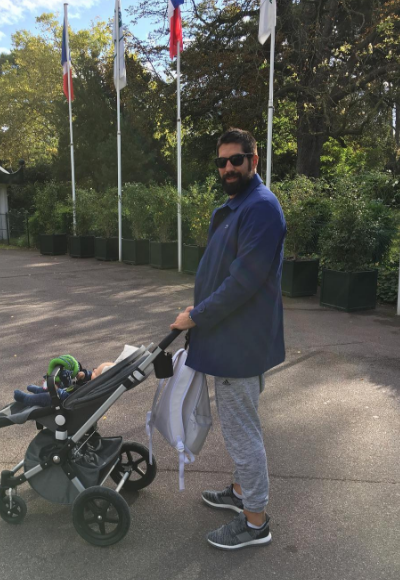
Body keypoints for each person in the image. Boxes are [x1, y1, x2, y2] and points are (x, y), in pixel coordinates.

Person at [171, 128, 286, 550]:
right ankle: (240, 494)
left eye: (236, 160)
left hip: (239, 342)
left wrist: (196, 316)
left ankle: (255, 521)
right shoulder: (240, 204)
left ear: (253, 161)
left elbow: (243, 283)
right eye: (221, 162)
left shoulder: (261, 208)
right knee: (242, 425)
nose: (227, 168)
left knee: (241, 433)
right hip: (234, 337)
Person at [13, 356, 114, 407]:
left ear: (99, 381)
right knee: (55, 387)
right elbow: (88, 375)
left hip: (64, 401)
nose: (94, 370)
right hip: (67, 391)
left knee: (48, 396)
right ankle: (39, 390)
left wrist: (58, 392)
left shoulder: (90, 391)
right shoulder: (93, 383)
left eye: (96, 372)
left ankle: (26, 399)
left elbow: (71, 398)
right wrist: (84, 374)